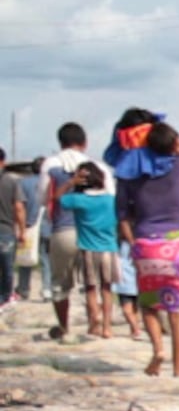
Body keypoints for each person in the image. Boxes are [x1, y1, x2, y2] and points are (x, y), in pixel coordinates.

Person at [116, 121, 179, 376]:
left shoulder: (129, 172)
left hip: (146, 243)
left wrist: (134, 246)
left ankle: (158, 349)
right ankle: (178, 372)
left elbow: (122, 215)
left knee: (148, 305)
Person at [36, 123, 114, 338]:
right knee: (96, 283)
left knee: (60, 283)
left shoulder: (50, 164)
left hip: (63, 231)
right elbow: (111, 198)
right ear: (85, 142)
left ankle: (64, 327)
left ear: (60, 142)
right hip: (96, 235)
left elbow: (43, 199)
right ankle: (97, 323)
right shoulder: (100, 167)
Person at [53, 162, 117, 338]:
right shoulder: (110, 200)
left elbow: (57, 198)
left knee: (90, 288)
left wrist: (70, 182)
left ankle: (94, 320)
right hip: (109, 249)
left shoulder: (78, 200)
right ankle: (107, 327)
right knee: (106, 289)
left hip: (88, 249)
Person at [15, 155, 46, 301]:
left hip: (28, 224)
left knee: (25, 257)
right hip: (47, 224)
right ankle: (47, 289)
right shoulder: (50, 182)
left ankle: (23, 289)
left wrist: (21, 227)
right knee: (46, 258)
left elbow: (20, 205)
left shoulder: (23, 183)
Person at [0, 148, 27, 312]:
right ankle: (5, 297)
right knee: (7, 267)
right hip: (5, 231)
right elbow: (18, 207)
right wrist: (22, 230)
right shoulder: (11, 181)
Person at [111, 238, 142, 340]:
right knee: (135, 308)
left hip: (125, 281)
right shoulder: (138, 243)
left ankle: (135, 329)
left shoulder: (121, 244)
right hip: (136, 280)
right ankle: (133, 330)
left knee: (127, 309)